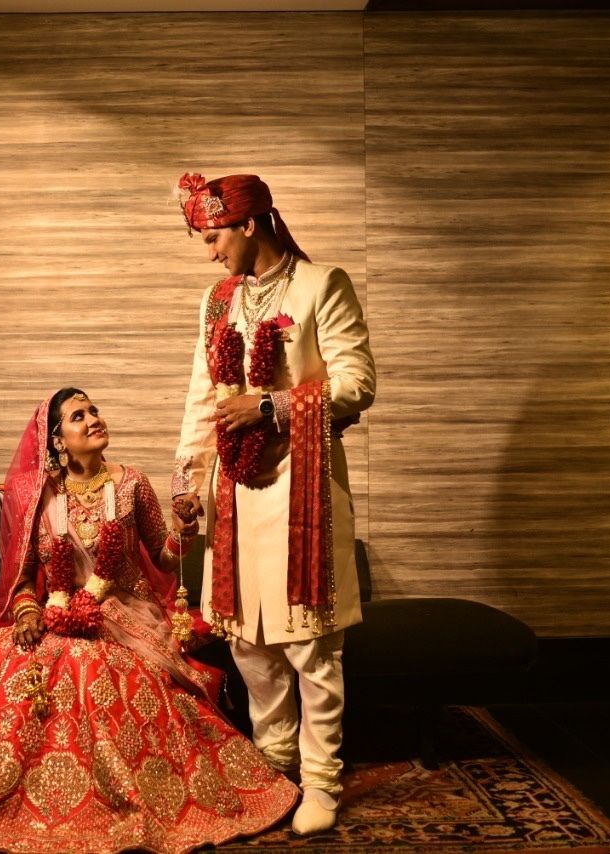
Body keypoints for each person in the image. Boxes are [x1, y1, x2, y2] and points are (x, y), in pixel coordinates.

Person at [0, 387, 299, 853]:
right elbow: (24, 574)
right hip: (55, 609)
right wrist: (28, 611)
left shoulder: (131, 483)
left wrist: (185, 527)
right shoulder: (37, 495)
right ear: (56, 440)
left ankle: (107, 798)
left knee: (90, 667)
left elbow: (164, 558)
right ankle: (6, 787)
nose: (94, 419)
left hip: (126, 613)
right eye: (78, 416)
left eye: (94, 410)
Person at [171, 173, 375, 835]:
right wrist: (187, 481)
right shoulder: (217, 302)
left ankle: (321, 781)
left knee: (310, 643)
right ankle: (275, 761)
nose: (210, 253)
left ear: (249, 224)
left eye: (214, 237)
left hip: (302, 485)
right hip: (235, 490)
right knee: (248, 642)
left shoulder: (321, 285)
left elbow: (357, 383)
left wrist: (269, 406)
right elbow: (203, 398)